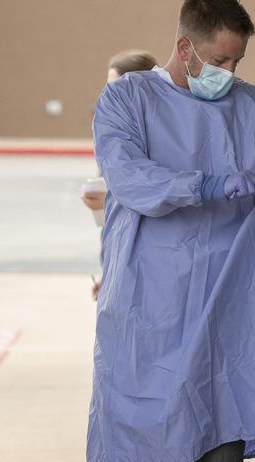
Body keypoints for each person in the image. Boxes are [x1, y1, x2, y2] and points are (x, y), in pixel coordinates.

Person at [83, 0, 255, 462]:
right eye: (219, 61)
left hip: (228, 310)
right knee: (120, 454)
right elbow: (129, 177)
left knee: (219, 446)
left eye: (236, 61)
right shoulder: (127, 101)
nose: (228, 72)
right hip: (146, 309)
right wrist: (206, 185)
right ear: (185, 47)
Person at [82, 50, 158, 302]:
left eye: (114, 87)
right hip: (119, 267)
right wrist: (109, 276)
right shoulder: (114, 134)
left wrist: (108, 199)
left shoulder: (156, 138)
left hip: (146, 275)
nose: (107, 96)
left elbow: (156, 200)